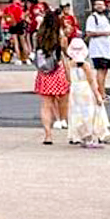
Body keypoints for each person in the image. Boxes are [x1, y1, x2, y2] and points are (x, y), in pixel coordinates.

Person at [32, 8, 70, 143]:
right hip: (57, 70)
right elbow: (65, 54)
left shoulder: (38, 36)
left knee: (46, 104)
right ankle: (63, 119)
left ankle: (48, 135)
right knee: (63, 97)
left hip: (43, 71)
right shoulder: (60, 37)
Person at [64, 39, 110, 148]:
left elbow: (68, 79)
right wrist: (98, 95)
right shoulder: (86, 65)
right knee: (90, 113)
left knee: (78, 113)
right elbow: (91, 81)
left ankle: (83, 137)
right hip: (85, 89)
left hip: (75, 90)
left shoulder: (69, 64)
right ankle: (91, 137)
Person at [83, 0, 110, 102]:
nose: (100, 6)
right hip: (97, 49)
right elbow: (89, 33)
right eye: (97, 5)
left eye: (102, 4)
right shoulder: (92, 18)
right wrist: (105, 33)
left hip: (106, 49)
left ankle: (103, 92)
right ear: (94, 6)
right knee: (100, 71)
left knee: (105, 71)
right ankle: (101, 95)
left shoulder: (104, 18)